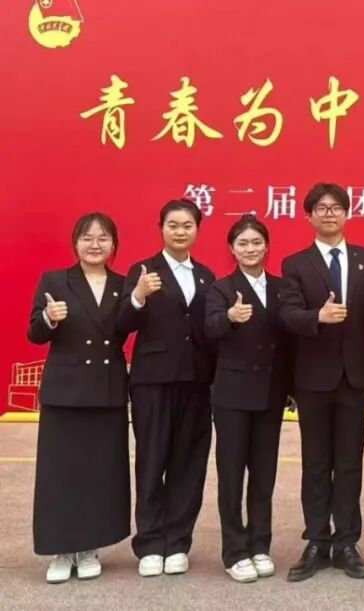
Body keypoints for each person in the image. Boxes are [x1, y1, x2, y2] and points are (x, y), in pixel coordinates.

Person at [279, 182, 364, 582]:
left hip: (355, 378)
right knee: (316, 463)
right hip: (313, 378)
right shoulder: (295, 263)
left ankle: (347, 542)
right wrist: (317, 318)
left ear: (347, 213)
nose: (329, 213)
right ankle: (316, 541)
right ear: (309, 216)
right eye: (321, 208)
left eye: (336, 207)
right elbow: (288, 315)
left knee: (349, 462)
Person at [27, 213, 131, 583]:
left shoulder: (123, 285)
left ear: (113, 244)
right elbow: (34, 334)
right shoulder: (55, 280)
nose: (94, 244)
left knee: (100, 472)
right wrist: (49, 318)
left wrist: (138, 300)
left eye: (103, 238)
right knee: (60, 473)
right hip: (65, 391)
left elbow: (128, 326)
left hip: (107, 390)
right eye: (87, 237)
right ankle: (61, 550)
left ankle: (89, 549)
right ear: (75, 243)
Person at [118, 199, 216, 578]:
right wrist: (138, 295)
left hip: (196, 381)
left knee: (189, 463)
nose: (180, 231)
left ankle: (177, 542)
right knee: (152, 460)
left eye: (187, 225)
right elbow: (123, 322)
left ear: (197, 230)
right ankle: (149, 543)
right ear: (161, 228)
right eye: (173, 225)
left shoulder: (205, 275)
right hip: (153, 381)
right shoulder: (143, 270)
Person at [205, 216, 290, 583]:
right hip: (232, 395)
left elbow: (290, 339)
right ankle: (234, 551)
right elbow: (209, 328)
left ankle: (259, 545)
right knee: (231, 474)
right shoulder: (221, 288)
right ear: (232, 249)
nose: (250, 249)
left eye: (257, 242)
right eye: (243, 243)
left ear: (266, 246)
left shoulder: (282, 287)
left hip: (271, 393)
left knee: (264, 473)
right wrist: (229, 316)